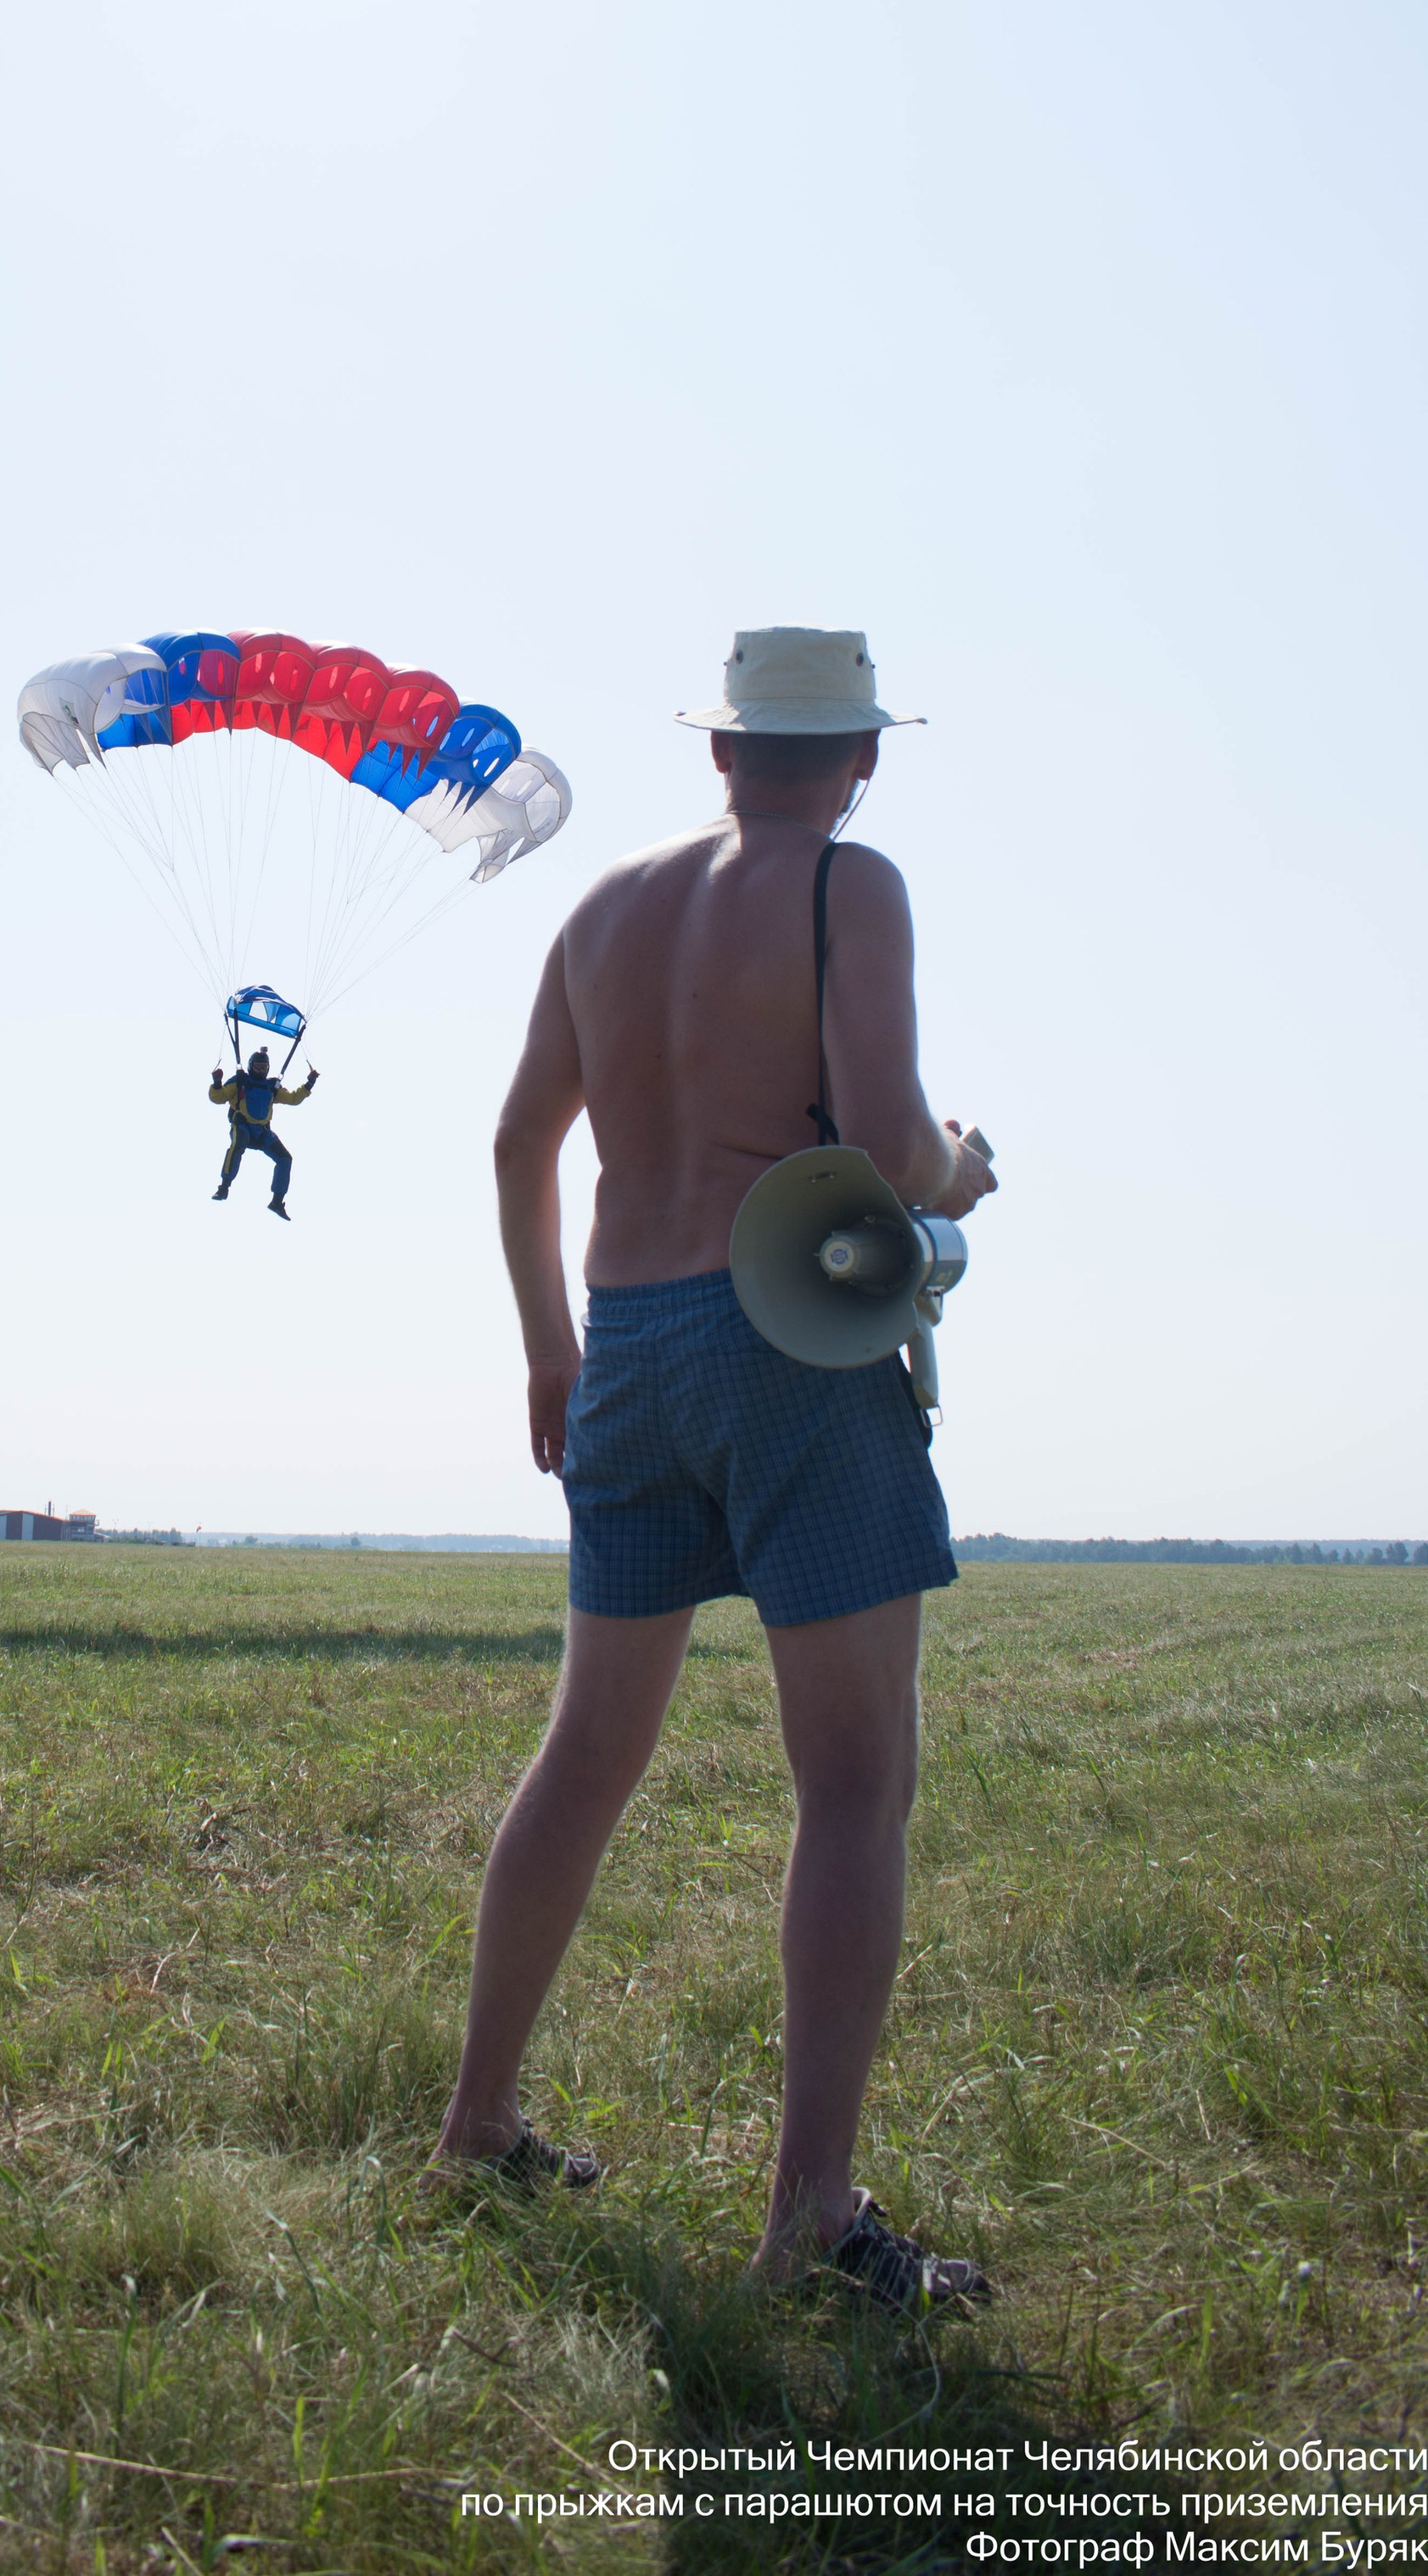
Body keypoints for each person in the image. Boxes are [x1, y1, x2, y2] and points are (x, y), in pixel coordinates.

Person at [432, 625, 1000, 2311]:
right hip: (787, 1339)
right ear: (861, 758)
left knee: (585, 1753)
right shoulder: (851, 883)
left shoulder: (599, 910)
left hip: (627, 1345)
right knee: (850, 1780)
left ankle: (475, 2125)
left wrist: (550, 1348)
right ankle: (811, 2216)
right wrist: (956, 1171)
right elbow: (888, 1141)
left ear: (717, 753)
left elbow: (517, 1139)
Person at [209, 1047, 319, 1219]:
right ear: (251, 1066)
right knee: (237, 1146)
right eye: (257, 1067)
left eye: (264, 1068)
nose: (260, 1070)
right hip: (243, 1126)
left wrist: (309, 1083)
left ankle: (277, 1202)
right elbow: (218, 1098)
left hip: (262, 1132)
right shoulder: (240, 1081)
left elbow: (293, 1099)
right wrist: (217, 1083)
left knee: (285, 1158)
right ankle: (224, 1187)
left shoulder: (271, 1086)